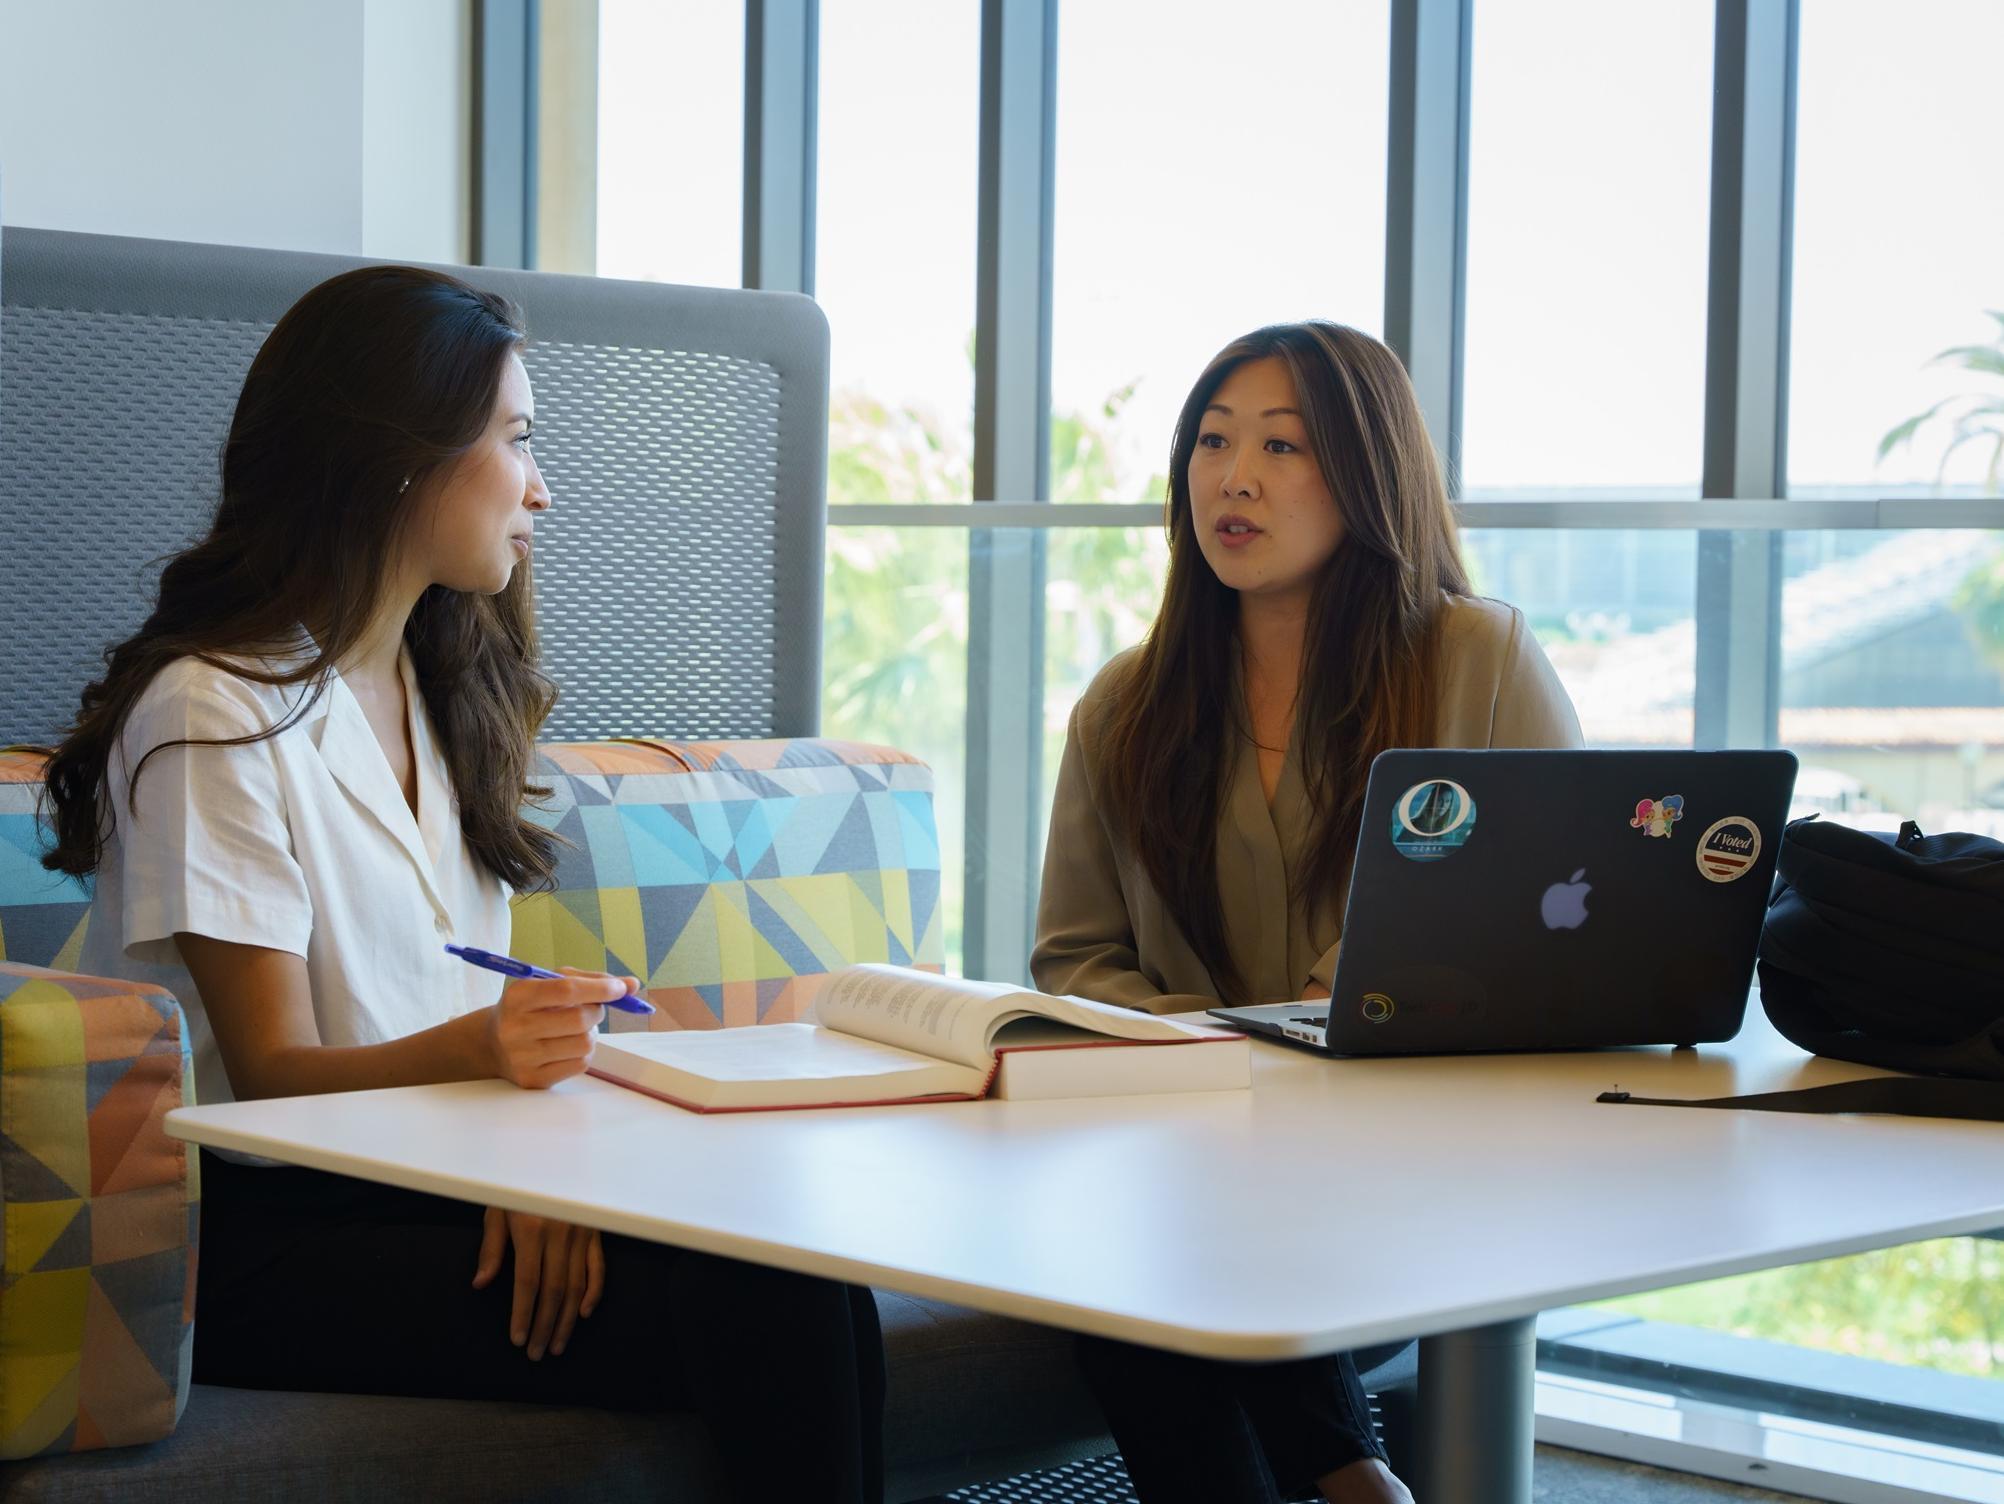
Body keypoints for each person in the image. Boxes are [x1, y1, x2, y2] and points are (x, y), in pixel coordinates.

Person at [37, 266, 885, 1503]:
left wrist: (534, 1148)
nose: (541, 487)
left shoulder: (439, 697)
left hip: (420, 1184)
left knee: (802, 1274)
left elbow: (457, 1044)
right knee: (771, 1310)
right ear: (401, 455)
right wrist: (493, 1057)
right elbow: (273, 1077)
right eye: (518, 440)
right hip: (260, 1239)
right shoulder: (211, 711)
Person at [1031, 321, 1584, 1504]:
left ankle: (1350, 1477)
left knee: (1182, 1238)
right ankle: (1359, 1480)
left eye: (1284, 447)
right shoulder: (1127, 704)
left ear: (1368, 476)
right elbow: (1074, 962)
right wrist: (1233, 1044)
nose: (1233, 477)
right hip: (1208, 1149)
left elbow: (1563, 920)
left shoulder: (1474, 656)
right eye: (1212, 442)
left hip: (1426, 1146)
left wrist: (1375, 987)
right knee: (1149, 1250)